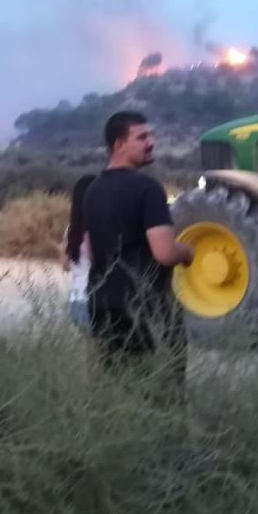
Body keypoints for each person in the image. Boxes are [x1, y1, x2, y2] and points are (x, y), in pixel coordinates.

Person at [83, 111, 194, 376]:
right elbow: (165, 253)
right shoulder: (148, 188)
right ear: (119, 144)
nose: (151, 142)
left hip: (101, 304)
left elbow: (89, 249)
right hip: (145, 305)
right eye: (142, 137)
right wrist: (187, 251)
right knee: (162, 388)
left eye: (151, 135)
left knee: (118, 387)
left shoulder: (92, 189)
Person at [59, 173, 96, 330]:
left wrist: (60, 249)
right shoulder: (92, 230)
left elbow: (66, 266)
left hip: (76, 299)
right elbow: (96, 258)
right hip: (92, 299)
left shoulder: (71, 230)